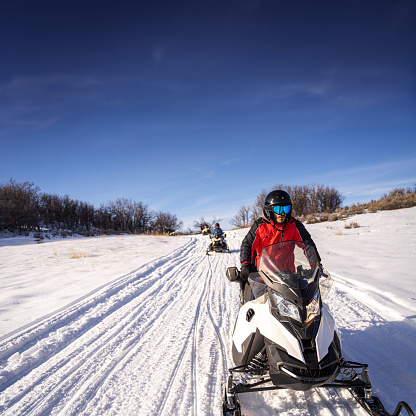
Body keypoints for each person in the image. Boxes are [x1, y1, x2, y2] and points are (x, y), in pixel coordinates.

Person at [240, 190, 321, 298]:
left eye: (286, 209)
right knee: (255, 307)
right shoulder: (260, 226)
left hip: (288, 276)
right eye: (278, 209)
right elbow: (247, 244)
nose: (282, 213)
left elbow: (307, 244)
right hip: (264, 277)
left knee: (303, 306)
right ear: (270, 210)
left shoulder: (294, 226)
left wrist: (315, 264)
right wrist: (245, 264)